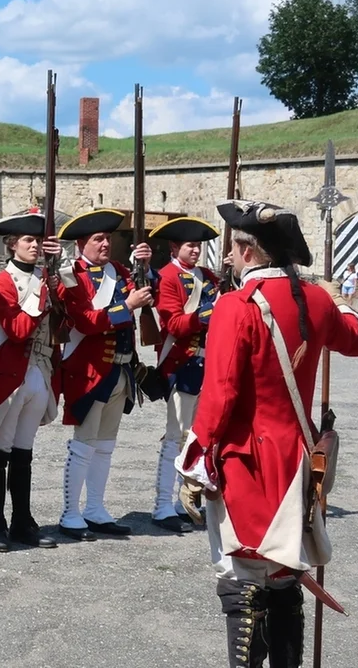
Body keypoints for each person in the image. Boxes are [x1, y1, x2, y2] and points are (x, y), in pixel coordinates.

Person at [176, 199, 358, 668]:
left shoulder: (236, 306)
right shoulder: (316, 300)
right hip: (297, 459)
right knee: (283, 573)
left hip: (248, 461)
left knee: (241, 574)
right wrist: (337, 295)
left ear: (244, 251)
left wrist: (195, 464)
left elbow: (219, 395)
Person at [55, 209, 154, 541]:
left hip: (120, 369)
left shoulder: (121, 270)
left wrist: (146, 264)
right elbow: (85, 321)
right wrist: (127, 305)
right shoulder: (72, 275)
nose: (105, 243)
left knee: (106, 445)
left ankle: (95, 508)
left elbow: (148, 289)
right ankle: (70, 513)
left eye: (108, 238)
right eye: (98, 239)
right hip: (90, 371)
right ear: (82, 242)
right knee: (83, 444)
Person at [0, 208, 62, 552]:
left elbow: (64, 324)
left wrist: (60, 286)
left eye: (39, 240)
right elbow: (16, 330)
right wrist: (43, 295)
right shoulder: (2, 282)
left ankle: (22, 520)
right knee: (0, 452)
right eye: (29, 240)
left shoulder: (46, 277)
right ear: (12, 244)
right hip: (11, 374)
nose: (35, 246)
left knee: (24, 453)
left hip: (40, 371)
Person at [145, 217, 220, 534]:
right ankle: (163, 504)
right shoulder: (168, 277)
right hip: (182, 362)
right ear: (175, 247)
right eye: (190, 246)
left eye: (198, 246)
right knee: (175, 436)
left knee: (198, 435)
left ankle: (183, 498)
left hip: (208, 363)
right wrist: (205, 313)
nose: (196, 251)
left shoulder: (208, 276)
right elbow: (174, 324)